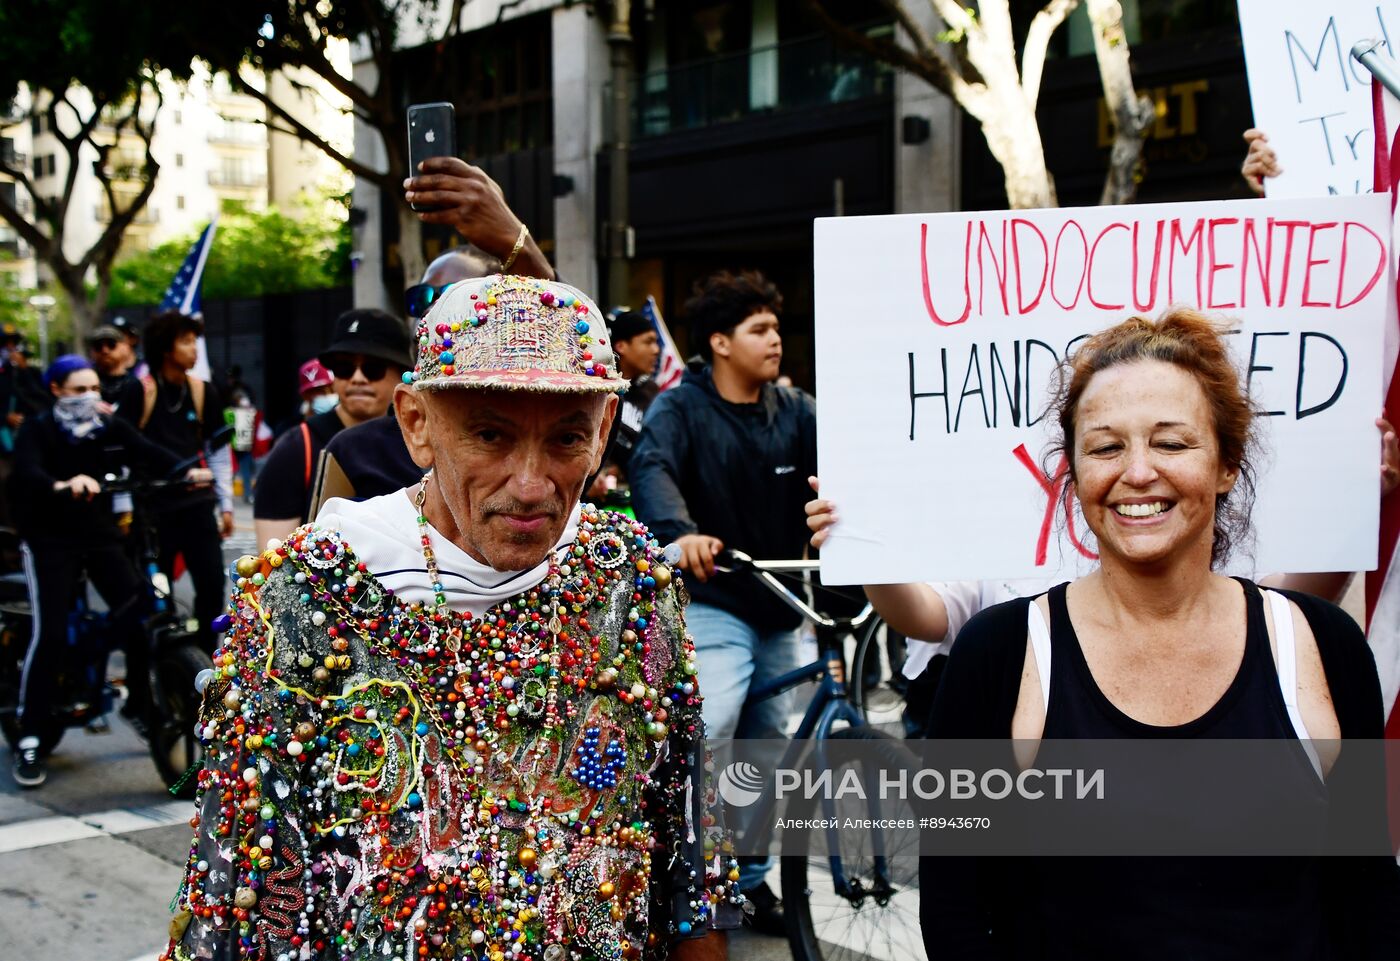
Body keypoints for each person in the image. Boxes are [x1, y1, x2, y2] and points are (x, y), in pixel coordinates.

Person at [160, 274, 739, 961]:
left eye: (566, 439)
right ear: (417, 424)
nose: (531, 485)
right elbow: (236, 897)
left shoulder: (628, 581)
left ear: (604, 430)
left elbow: (688, 849)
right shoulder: (304, 596)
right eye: (490, 435)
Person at [905, 309, 1400, 956]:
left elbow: (1368, 893)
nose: (1137, 472)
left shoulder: (1324, 644)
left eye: (1171, 443)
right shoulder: (996, 654)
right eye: (1106, 447)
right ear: (1073, 472)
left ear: (1227, 464)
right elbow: (953, 906)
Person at [628, 269, 815, 934]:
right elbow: (652, 469)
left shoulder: (799, 411)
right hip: (713, 599)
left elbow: (845, 475)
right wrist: (681, 535)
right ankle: (685, 880)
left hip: (781, 604)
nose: (775, 339)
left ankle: (752, 885)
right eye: (759, 328)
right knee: (713, 728)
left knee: (766, 751)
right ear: (720, 341)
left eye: (776, 327)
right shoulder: (677, 409)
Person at [8, 355, 210, 787]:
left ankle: (138, 703)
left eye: (95, 388)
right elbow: (27, 470)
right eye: (79, 390)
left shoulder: (106, 426)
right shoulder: (38, 428)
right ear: (57, 390)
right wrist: (62, 484)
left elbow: (147, 451)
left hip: (99, 536)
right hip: (50, 540)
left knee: (140, 610)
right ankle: (30, 734)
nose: (90, 397)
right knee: (51, 632)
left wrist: (185, 471)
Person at [315, 247, 511, 506]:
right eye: (423, 298)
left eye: (455, 296)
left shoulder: (541, 441)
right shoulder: (354, 449)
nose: (431, 310)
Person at [253, 310, 413, 546]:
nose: (357, 378)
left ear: (402, 374)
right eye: (344, 368)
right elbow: (274, 557)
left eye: (373, 368)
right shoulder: (296, 448)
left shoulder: (421, 443)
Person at [137, 310, 233, 653]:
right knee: (153, 592)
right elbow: (123, 450)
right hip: (153, 510)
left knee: (211, 586)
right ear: (166, 348)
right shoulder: (140, 391)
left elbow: (218, 451)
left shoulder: (202, 391)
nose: (194, 349)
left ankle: (203, 661)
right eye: (186, 341)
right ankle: (154, 665)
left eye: (195, 341)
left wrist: (226, 504)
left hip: (197, 505)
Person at [597, 308, 662, 485]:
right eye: (648, 342)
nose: (656, 350)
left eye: (656, 342)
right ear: (621, 346)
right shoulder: (599, 388)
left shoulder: (651, 392)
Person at [88, 324, 144, 417]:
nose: (105, 350)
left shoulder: (135, 383)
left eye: (111, 344)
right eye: (98, 346)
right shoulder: (86, 384)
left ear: (124, 347)